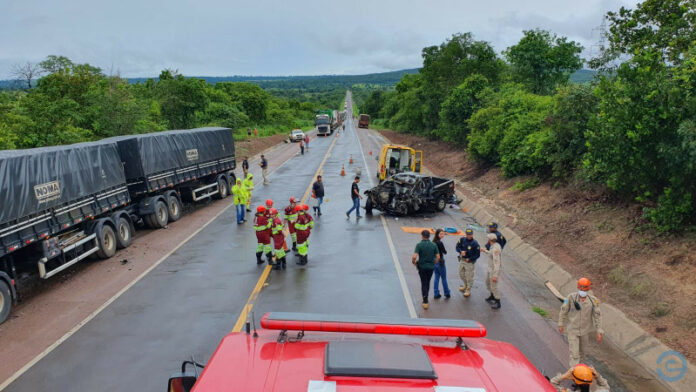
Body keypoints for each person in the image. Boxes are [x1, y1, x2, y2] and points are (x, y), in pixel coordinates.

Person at [559, 278, 604, 366]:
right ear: (578, 287)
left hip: (585, 331)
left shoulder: (593, 300)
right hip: (573, 330)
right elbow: (563, 311)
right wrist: (561, 323)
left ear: (588, 288)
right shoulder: (570, 297)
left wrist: (599, 331)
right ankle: (574, 372)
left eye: (585, 288)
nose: (582, 290)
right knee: (574, 354)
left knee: (583, 353)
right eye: (581, 287)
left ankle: (579, 369)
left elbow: (597, 316)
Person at [412, 230, 440, 309]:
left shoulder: (419, 245)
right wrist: (434, 263)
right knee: (428, 282)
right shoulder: (434, 245)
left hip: (422, 267)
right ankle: (426, 296)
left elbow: (414, 256)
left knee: (423, 282)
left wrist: (414, 262)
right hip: (430, 267)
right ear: (429, 236)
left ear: (422, 236)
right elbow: (438, 257)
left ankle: (425, 300)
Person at [456, 228, 480, 297]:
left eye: (470, 235)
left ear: (472, 235)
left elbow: (477, 255)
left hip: (469, 262)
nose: (468, 236)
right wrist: (460, 251)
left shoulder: (475, 243)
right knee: (461, 274)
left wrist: (469, 259)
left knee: (469, 277)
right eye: (467, 234)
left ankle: (468, 289)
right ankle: (465, 285)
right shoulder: (462, 239)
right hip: (462, 260)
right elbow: (457, 247)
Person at [481, 233, 502, 309]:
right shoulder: (494, 246)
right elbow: (491, 253)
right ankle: (492, 296)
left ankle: (497, 301)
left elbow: (497, 263)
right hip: (490, 269)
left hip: (494, 270)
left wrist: (495, 275)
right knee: (487, 282)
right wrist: (485, 251)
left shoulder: (495, 248)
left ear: (490, 240)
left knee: (494, 286)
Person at [432, 228, 451, 299]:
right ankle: (447, 292)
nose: (442, 235)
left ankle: (436, 293)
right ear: (437, 234)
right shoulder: (440, 243)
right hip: (440, 261)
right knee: (444, 278)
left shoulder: (433, 242)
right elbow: (445, 252)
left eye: (443, 234)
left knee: (436, 277)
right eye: (441, 234)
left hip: (434, 261)